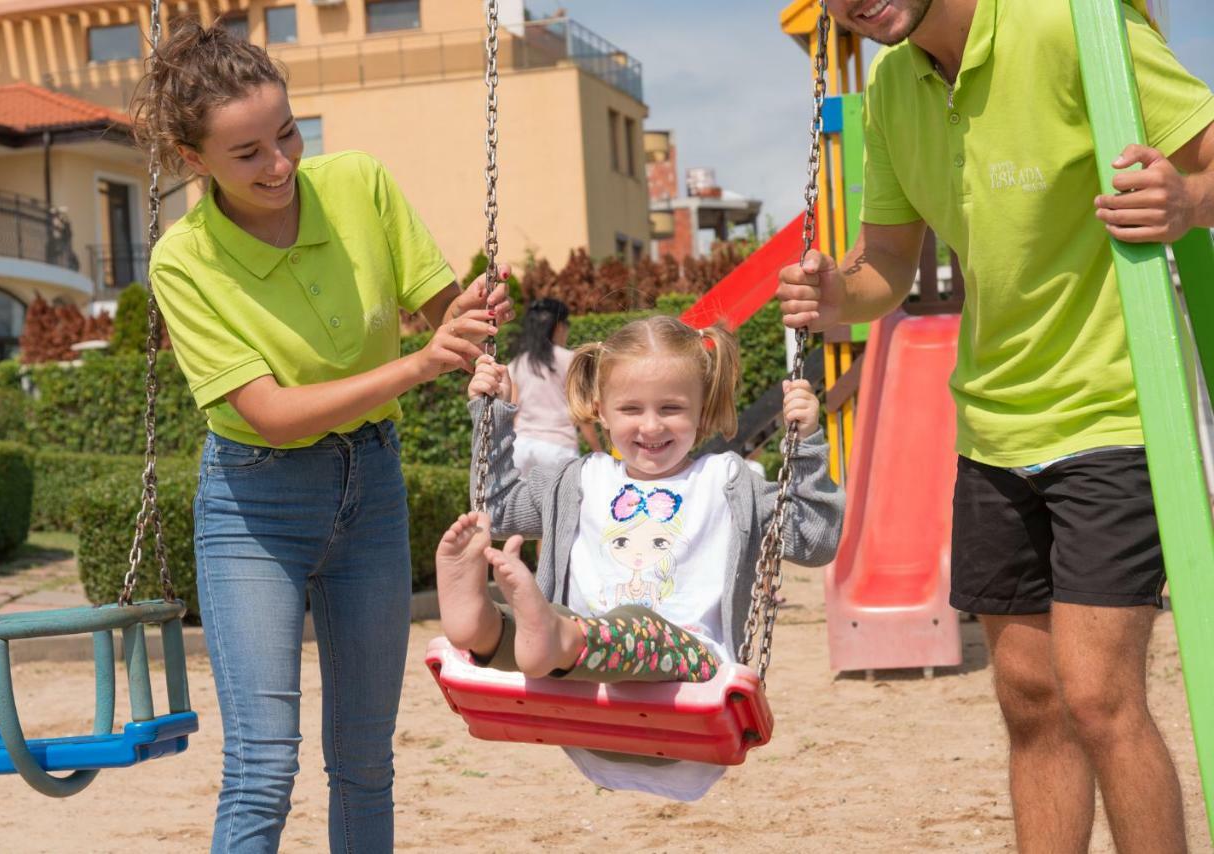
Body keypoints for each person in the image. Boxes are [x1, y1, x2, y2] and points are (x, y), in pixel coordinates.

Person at [776, 1, 1214, 851]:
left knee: (1097, 694)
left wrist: (1189, 199)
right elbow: (889, 266)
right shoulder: (894, 91)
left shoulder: (1069, 24)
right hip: (990, 426)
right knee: (1029, 699)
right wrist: (838, 295)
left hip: (1114, 407)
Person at [130, 22, 514, 854]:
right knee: (264, 766)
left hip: (372, 490)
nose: (279, 165)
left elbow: (440, 310)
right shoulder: (183, 260)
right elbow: (269, 410)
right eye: (246, 154)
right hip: (254, 506)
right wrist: (419, 365)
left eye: (287, 134)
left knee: (366, 761)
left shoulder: (360, 184)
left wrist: (471, 313)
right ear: (195, 161)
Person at [435, 316, 844, 801]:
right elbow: (497, 508)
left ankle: (551, 635)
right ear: (601, 411)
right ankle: (478, 624)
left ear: (702, 408)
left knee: (625, 626)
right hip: (579, 689)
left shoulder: (728, 483)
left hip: (689, 671)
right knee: (534, 626)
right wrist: (492, 415)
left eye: (671, 408)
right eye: (631, 408)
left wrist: (807, 446)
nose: (651, 426)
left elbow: (813, 540)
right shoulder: (578, 481)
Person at [508, 297, 602, 474]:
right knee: (561, 501)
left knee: (521, 502)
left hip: (521, 445)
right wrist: (598, 450)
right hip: (558, 447)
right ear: (559, 327)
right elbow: (580, 411)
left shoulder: (517, 363)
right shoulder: (570, 360)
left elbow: (512, 408)